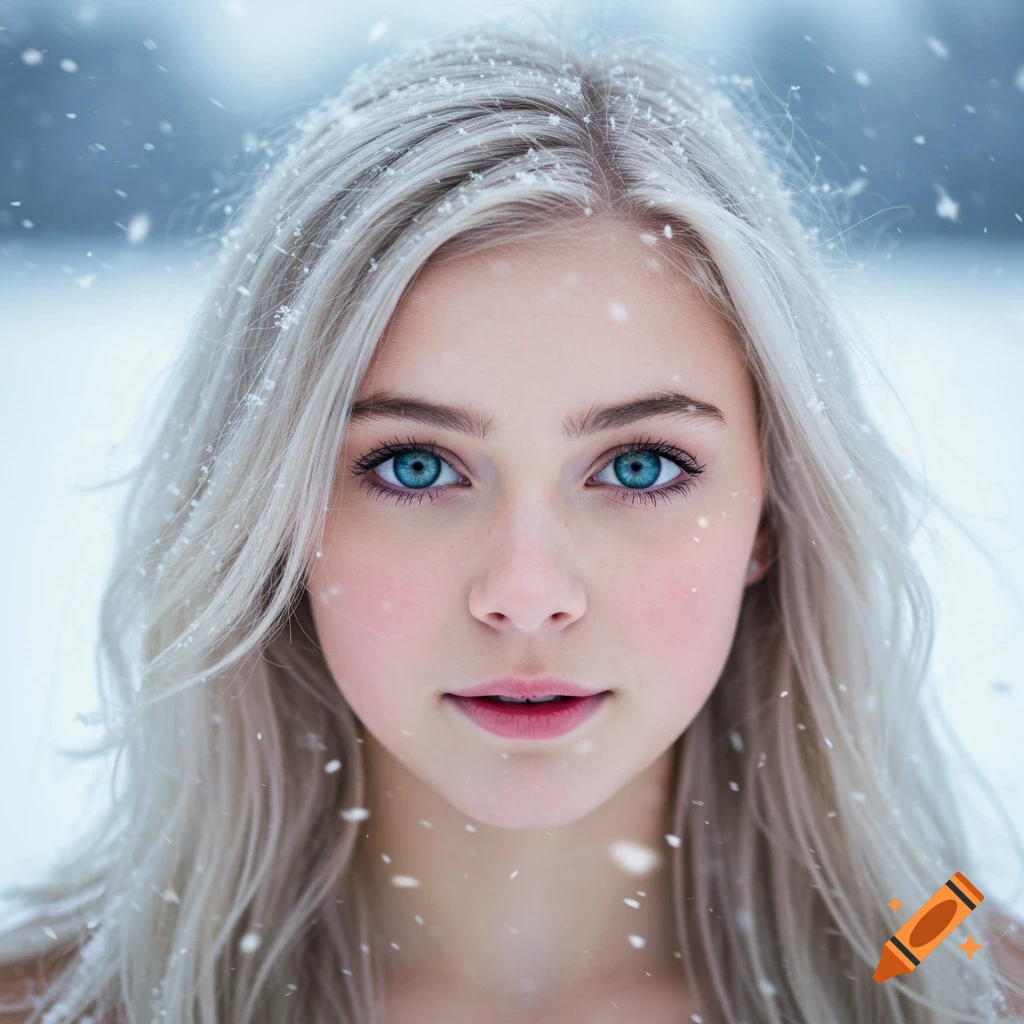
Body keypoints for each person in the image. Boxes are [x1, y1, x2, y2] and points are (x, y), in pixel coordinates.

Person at [1, 12, 1023, 1024]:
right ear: (275, 515)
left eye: (637, 465)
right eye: (413, 465)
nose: (526, 593)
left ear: (771, 512)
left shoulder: (972, 988)